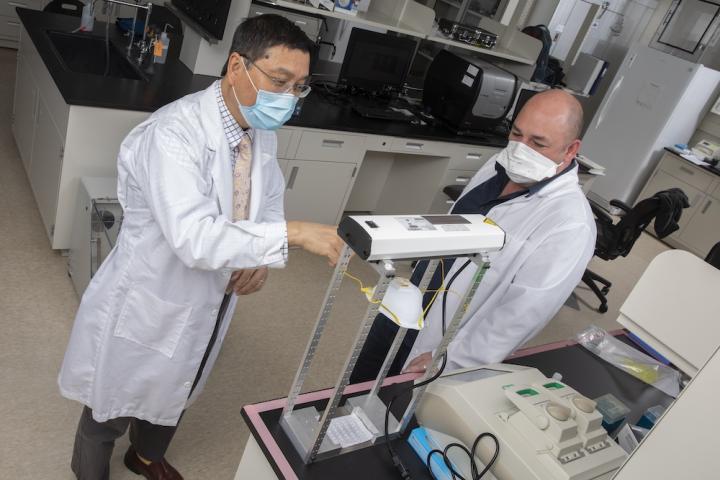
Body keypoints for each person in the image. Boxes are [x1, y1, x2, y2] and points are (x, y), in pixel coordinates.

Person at [58, 15, 344, 480]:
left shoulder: (260, 133)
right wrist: (290, 235)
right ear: (236, 66)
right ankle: (89, 472)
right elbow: (193, 237)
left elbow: (268, 201)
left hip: (217, 291)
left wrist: (260, 258)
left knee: (183, 380)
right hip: (154, 292)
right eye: (280, 81)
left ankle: (144, 457)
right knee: (115, 395)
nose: (289, 98)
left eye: (299, 87)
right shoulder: (172, 134)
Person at [351, 89, 596, 382]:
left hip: (442, 341)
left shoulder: (570, 223)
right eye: (516, 134)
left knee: (392, 400)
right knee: (359, 381)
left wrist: (452, 358)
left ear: (570, 150)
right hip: (410, 301)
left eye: (537, 143)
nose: (520, 149)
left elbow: (520, 315)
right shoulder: (499, 165)